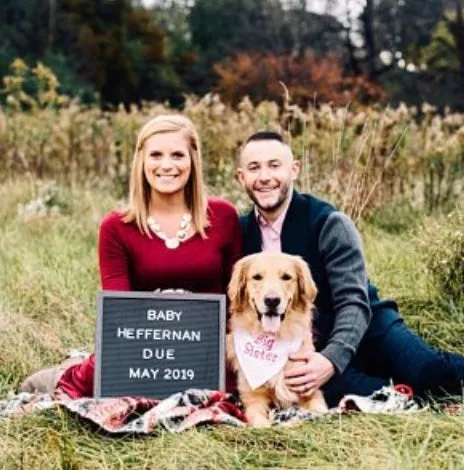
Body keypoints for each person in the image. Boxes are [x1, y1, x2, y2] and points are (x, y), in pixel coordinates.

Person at [237, 130, 464, 408]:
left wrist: (332, 359)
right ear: (241, 177)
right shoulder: (240, 232)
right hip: (306, 346)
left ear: (294, 169)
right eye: (254, 168)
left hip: (369, 327)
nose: (264, 177)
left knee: (427, 371)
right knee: (352, 391)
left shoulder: (329, 223)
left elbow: (354, 302)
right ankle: (418, 400)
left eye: (274, 165)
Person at [28, 114, 242, 398]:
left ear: (193, 160)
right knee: (110, 376)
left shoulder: (224, 216)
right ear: (141, 160)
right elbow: (120, 313)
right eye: (156, 155)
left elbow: (237, 296)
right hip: (143, 343)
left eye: (177, 155)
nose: (167, 165)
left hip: (207, 344)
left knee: (232, 388)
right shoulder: (116, 227)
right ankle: (64, 377)